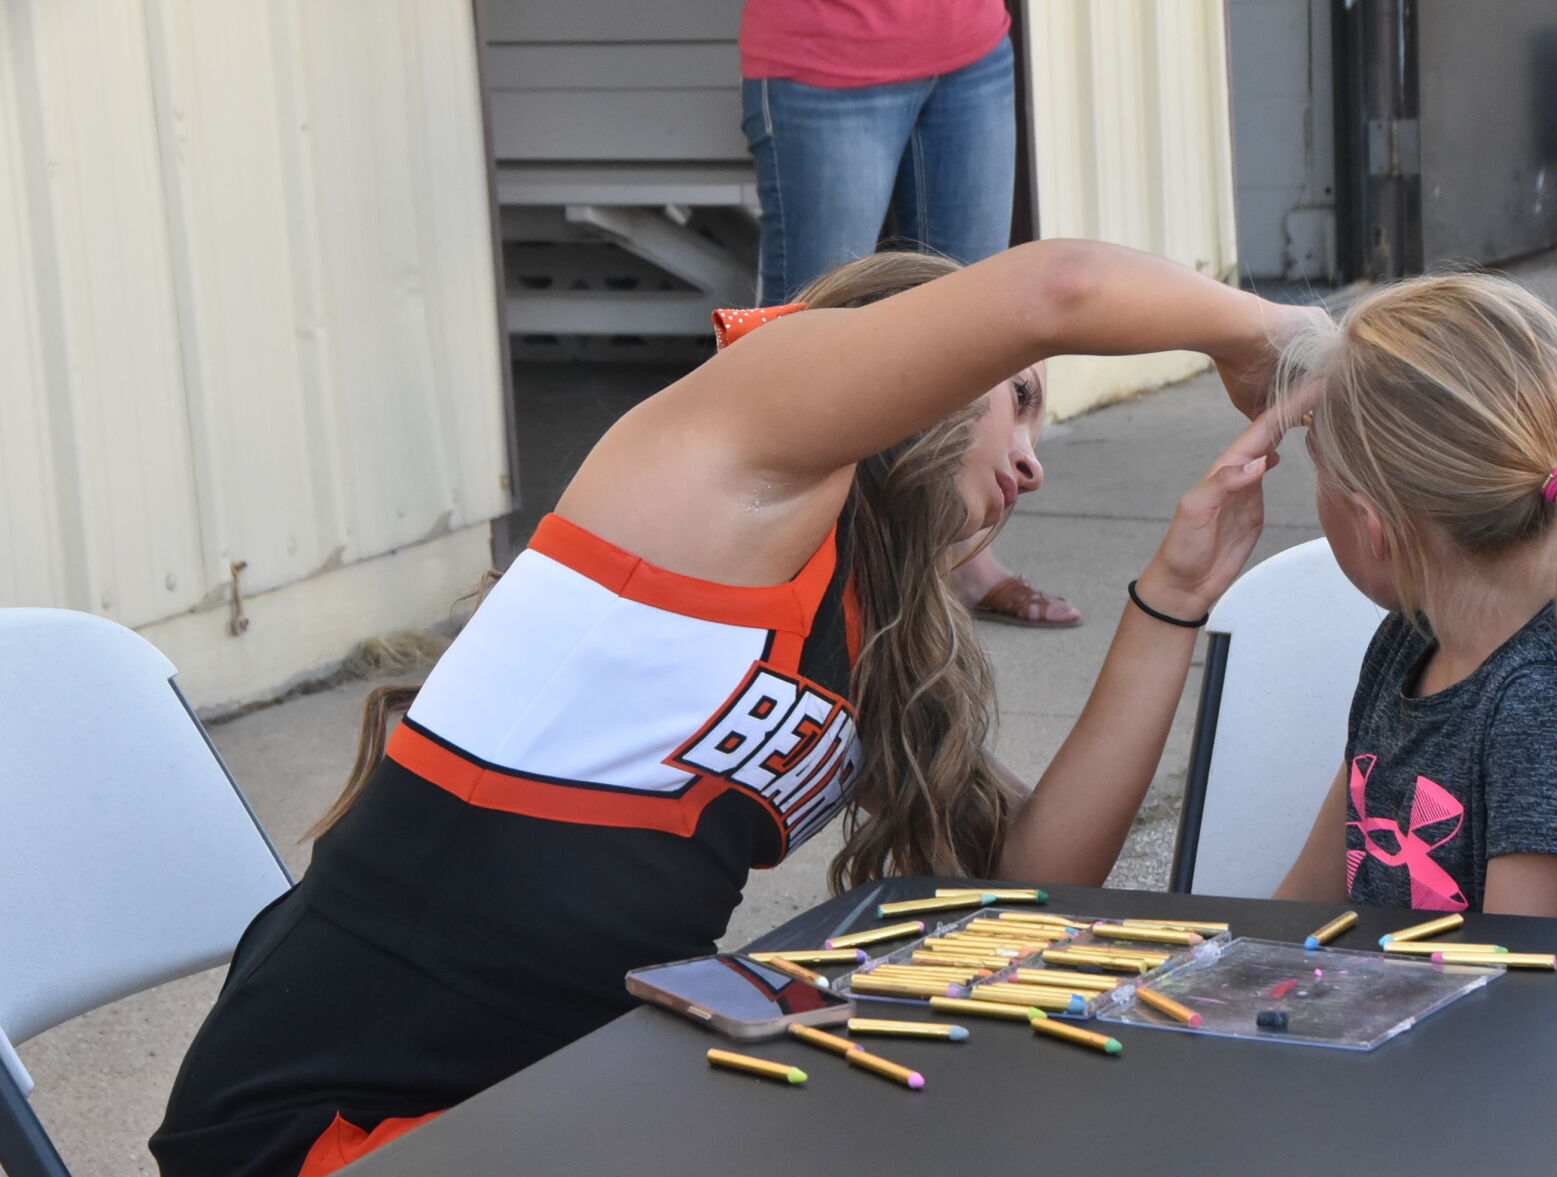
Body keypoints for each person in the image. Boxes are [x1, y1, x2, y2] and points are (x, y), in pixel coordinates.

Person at [152, 241, 1315, 1177]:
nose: (1032, 460)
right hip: (341, 1116)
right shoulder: (740, 445)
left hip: (560, 1092)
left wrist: (1169, 600)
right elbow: (1053, 287)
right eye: (1015, 401)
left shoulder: (869, 624)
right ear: (921, 368)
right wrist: (1272, 337)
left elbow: (1031, 871)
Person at [1271, 272, 1557, 922]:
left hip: (1488, 1023)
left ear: (1371, 525)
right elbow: (1296, 911)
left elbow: (1516, 1003)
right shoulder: (1408, 640)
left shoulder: (1540, 717)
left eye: (1315, 464)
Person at [739, 0, 1079, 626]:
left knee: (981, 326)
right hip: (826, 55)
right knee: (805, 338)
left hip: (969, 45)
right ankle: (782, 573)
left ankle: (962, 555)